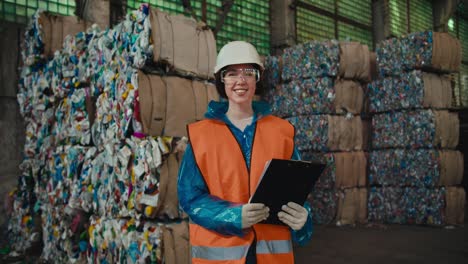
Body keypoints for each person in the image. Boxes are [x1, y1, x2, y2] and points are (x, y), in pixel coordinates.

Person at [177, 41, 313, 264]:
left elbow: (295, 191)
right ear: (222, 80)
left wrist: (303, 220)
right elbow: (190, 198)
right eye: (231, 74)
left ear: (257, 78)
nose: (240, 81)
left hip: (271, 257)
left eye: (248, 73)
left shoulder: (282, 132)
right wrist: (233, 216)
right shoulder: (201, 135)